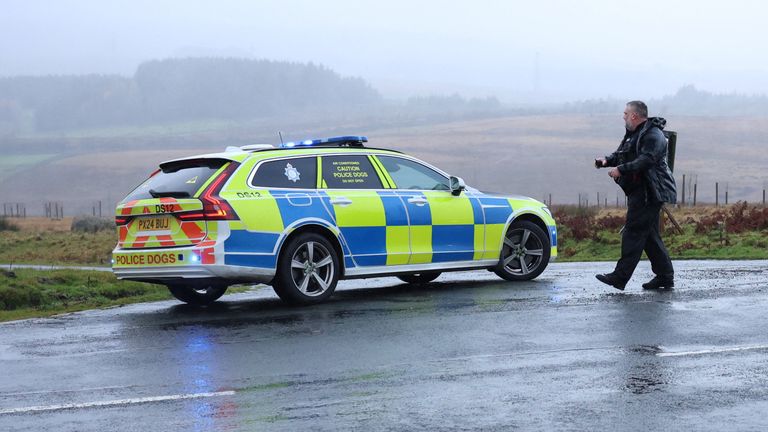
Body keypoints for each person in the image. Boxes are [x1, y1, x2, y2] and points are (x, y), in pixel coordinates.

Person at [594, 101, 677, 290]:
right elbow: (622, 154)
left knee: (633, 231)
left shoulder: (653, 135)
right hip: (640, 190)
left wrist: (621, 170)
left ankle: (619, 277)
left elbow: (646, 160)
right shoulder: (634, 134)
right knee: (649, 236)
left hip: (650, 192)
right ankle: (665, 276)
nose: (623, 117)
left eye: (625, 113)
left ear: (634, 116)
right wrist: (606, 160)